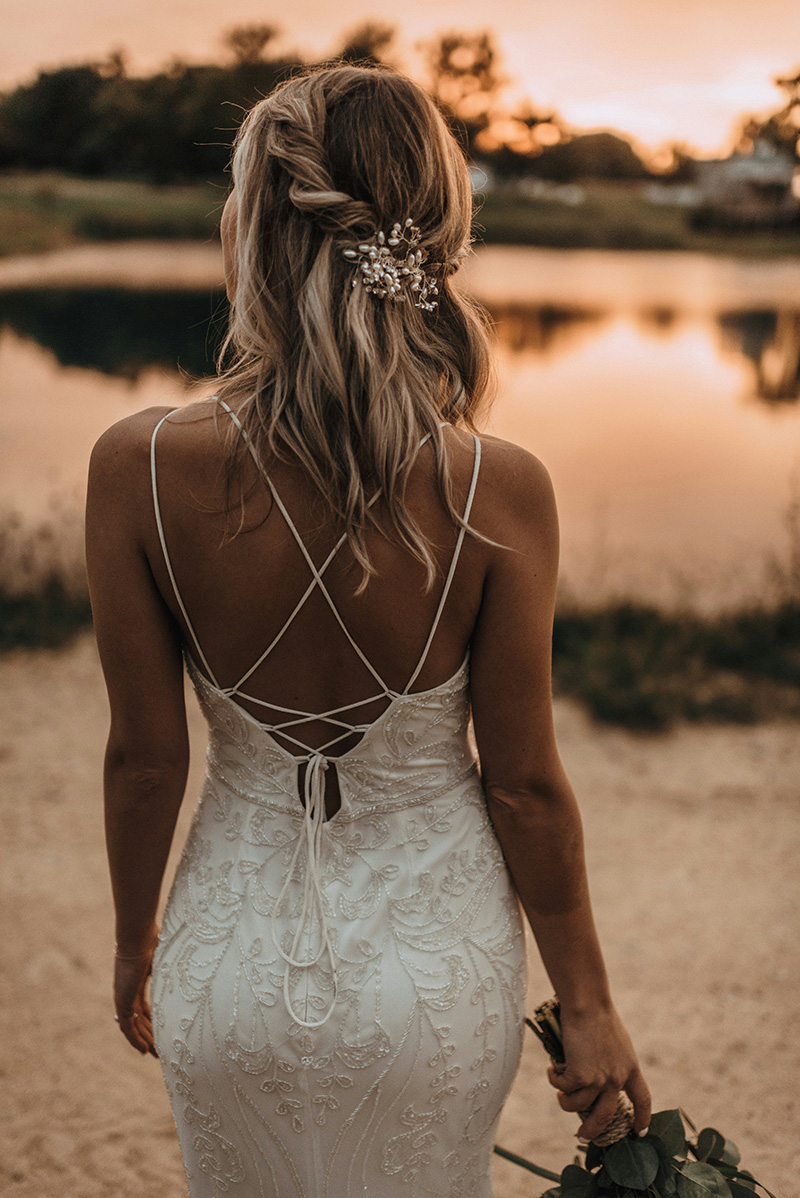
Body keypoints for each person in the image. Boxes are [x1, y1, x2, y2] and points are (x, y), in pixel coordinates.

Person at [85, 63, 650, 1198]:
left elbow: (146, 761)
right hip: (430, 978)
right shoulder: (497, 489)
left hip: (226, 968)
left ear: (255, 230)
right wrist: (584, 1005)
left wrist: (138, 943)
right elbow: (524, 786)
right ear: (434, 233)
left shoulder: (138, 466)